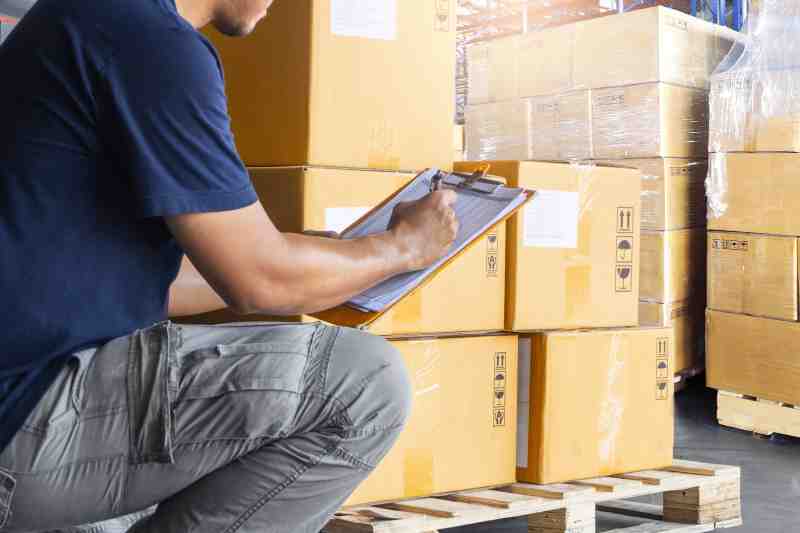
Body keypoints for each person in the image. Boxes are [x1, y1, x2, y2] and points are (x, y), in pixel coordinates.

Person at [0, 0, 459, 530]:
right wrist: (403, 248)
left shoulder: (89, 17)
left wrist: (310, 261)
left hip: (24, 393)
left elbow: (152, 284)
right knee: (364, 384)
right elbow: (261, 283)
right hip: (23, 414)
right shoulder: (153, 42)